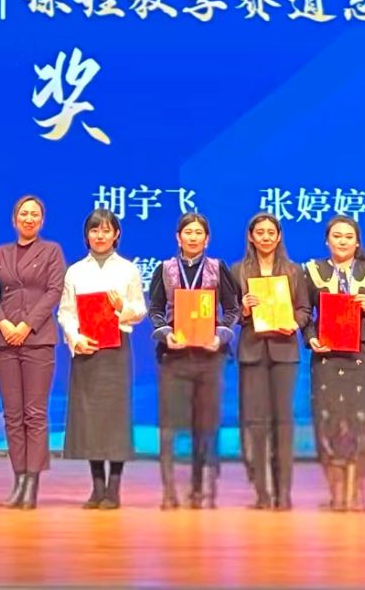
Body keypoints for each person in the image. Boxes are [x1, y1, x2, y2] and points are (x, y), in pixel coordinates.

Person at [145, 212, 240, 510]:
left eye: (199, 233)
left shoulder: (217, 268)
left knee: (205, 426)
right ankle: (169, 490)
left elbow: (232, 309)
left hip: (209, 357)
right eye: (188, 232)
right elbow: (155, 310)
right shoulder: (165, 269)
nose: (193, 237)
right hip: (174, 357)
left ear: (207, 239)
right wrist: (166, 334)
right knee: (170, 425)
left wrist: (220, 336)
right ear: (178, 237)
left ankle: (201, 489)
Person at [58, 208, 146, 511]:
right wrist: (75, 338)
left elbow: (140, 310)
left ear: (116, 234)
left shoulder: (128, 270)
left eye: (106, 230)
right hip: (87, 349)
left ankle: (114, 488)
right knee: (90, 418)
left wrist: (123, 307)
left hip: (116, 348)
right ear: (87, 235)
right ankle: (97, 487)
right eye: (94, 230)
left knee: (115, 418)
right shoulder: (75, 271)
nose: (100, 236)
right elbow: (66, 312)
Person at [304, 215, 365, 512]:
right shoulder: (312, 271)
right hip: (326, 356)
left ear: (357, 242)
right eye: (336, 236)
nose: (342, 241)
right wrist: (311, 338)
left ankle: (355, 492)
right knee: (329, 423)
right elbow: (303, 312)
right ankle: (336, 493)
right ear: (327, 240)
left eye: (348, 237)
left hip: (361, 355)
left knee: (359, 423)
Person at [233, 212, 311, 511]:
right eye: (260, 232)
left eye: (271, 232)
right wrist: (243, 309)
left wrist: (294, 322)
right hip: (252, 352)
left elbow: (304, 310)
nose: (265, 237)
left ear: (278, 237)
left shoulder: (293, 271)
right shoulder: (238, 270)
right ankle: (261, 492)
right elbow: (229, 313)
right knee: (255, 423)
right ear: (251, 237)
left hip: (284, 352)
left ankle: (283, 492)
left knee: (283, 423)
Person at [0, 195, 65, 511]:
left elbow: (54, 291)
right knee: (12, 414)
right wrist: (4, 323)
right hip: (5, 339)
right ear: (14, 219)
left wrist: (27, 325)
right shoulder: (0, 253)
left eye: (35, 214)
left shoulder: (51, 251)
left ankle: (31, 484)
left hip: (37, 339)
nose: (29, 218)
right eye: (24, 214)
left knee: (34, 413)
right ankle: (18, 479)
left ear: (42, 220)